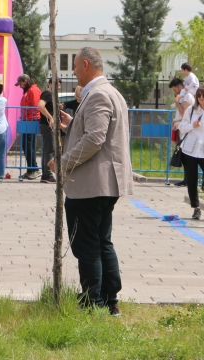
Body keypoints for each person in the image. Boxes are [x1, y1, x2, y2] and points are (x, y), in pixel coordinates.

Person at [46, 48, 132, 315]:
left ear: (85, 64)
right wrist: (72, 124)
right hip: (104, 183)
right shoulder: (110, 93)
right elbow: (98, 133)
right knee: (101, 241)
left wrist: (63, 163)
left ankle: (93, 301)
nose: (72, 73)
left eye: (74, 66)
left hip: (92, 184)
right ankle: (109, 300)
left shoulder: (97, 95)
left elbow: (95, 140)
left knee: (87, 245)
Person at [178, 86, 204, 220]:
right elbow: (181, 127)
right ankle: (196, 207)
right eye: (199, 95)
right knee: (192, 179)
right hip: (189, 149)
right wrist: (192, 126)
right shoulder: (191, 110)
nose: (201, 98)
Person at [169, 77, 195, 187]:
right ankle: (186, 179)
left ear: (180, 86)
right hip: (181, 127)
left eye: (175, 89)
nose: (175, 92)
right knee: (184, 154)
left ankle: (188, 179)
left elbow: (185, 113)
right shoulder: (182, 97)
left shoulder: (187, 97)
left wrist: (177, 102)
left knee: (186, 154)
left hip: (185, 128)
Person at [16, 75, 42, 179]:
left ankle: (34, 169)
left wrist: (30, 119)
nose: (20, 86)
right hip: (27, 120)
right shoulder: (29, 91)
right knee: (26, 145)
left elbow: (35, 106)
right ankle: (30, 169)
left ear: (25, 81)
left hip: (31, 120)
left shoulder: (33, 90)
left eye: (21, 84)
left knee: (29, 145)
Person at [36, 78, 58, 184]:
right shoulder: (47, 94)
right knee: (49, 150)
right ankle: (47, 174)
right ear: (50, 84)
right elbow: (40, 105)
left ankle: (46, 174)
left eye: (59, 85)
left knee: (48, 150)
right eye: (56, 85)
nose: (58, 87)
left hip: (48, 125)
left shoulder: (52, 95)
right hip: (47, 125)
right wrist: (50, 117)